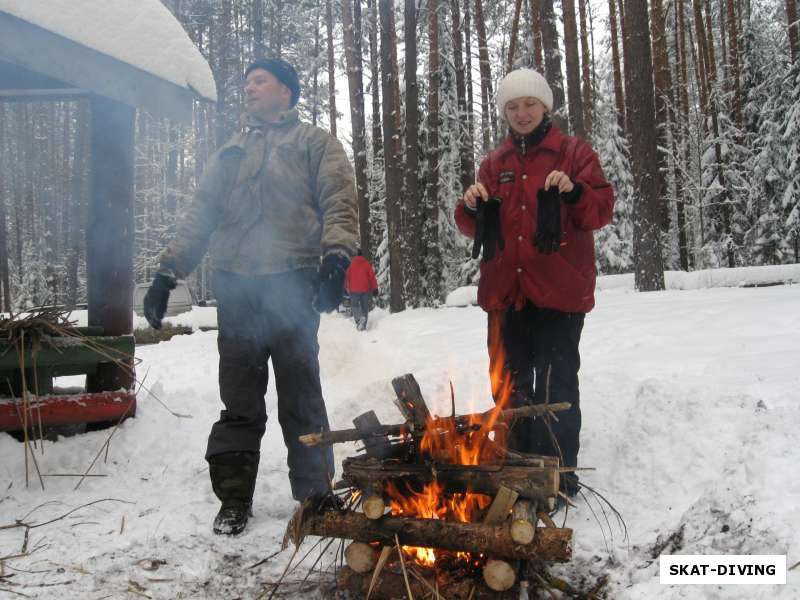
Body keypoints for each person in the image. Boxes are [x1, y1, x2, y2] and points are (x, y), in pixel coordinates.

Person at [142, 58, 358, 535]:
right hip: (238, 286)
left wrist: (336, 259)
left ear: (288, 91)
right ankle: (235, 499)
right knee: (239, 398)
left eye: (260, 81)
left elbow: (339, 201)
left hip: (294, 283)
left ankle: (316, 495)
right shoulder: (229, 155)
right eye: (246, 83)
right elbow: (199, 217)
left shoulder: (314, 144)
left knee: (302, 393)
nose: (249, 89)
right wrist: (167, 273)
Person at [455, 68, 614, 499]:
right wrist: (470, 206)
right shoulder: (495, 163)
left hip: (559, 293)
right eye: (512, 106)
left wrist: (575, 191)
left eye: (529, 104)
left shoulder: (573, 152)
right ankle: (516, 470)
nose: (521, 113)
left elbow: (600, 209)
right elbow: (472, 227)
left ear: (546, 107)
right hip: (505, 295)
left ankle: (555, 478)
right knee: (507, 384)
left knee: (555, 384)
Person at [344, 249, 378, 331]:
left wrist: (346, 287)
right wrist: (375, 288)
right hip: (365, 289)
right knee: (364, 307)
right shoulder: (367, 264)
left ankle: (359, 320)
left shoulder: (351, 265)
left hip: (353, 290)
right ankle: (363, 325)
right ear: (362, 255)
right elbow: (372, 277)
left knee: (355, 306)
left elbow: (346, 277)